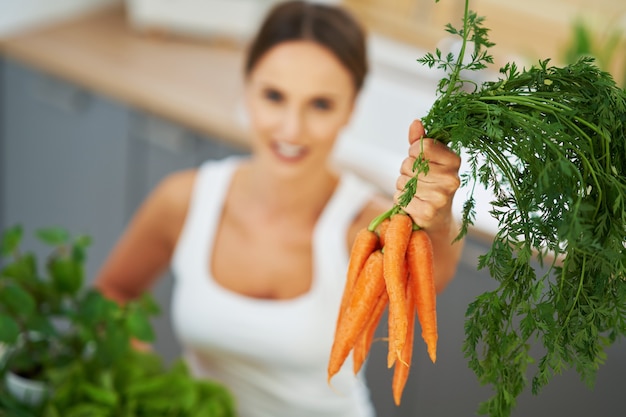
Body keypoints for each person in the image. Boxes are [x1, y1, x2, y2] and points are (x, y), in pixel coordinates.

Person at [95, 1, 464, 416]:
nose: (292, 128)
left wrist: (437, 214)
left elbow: (435, 277)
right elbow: (114, 292)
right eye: (274, 96)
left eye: (320, 104)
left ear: (351, 108)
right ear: (247, 88)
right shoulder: (183, 201)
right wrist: (141, 379)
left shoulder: (365, 225)